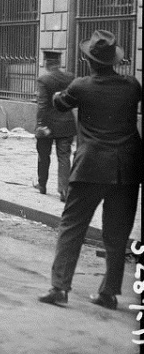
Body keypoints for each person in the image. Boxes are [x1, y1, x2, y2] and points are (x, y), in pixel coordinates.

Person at [38, 30, 142, 311]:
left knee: (72, 226)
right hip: (128, 169)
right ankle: (109, 293)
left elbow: (59, 104)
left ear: (88, 61)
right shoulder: (132, 85)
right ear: (115, 60)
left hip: (90, 166)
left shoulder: (81, 86)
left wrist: (62, 91)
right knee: (117, 233)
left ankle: (59, 288)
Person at [34, 50, 76, 201]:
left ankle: (42, 185)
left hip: (48, 125)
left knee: (43, 155)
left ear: (46, 63)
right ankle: (64, 190)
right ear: (59, 63)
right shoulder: (70, 77)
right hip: (66, 124)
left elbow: (42, 105)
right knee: (64, 157)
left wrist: (40, 125)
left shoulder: (43, 79)